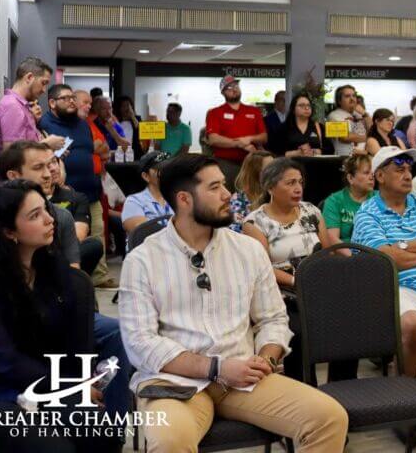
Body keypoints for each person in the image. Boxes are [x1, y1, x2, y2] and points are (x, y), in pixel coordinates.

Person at [119, 155, 349, 451]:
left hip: (243, 377)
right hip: (174, 382)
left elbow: (273, 319)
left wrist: (266, 358)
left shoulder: (247, 250)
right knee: (170, 441)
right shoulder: (143, 260)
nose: (228, 195)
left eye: (224, 185)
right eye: (215, 188)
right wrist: (215, 368)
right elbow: (140, 342)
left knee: (328, 418)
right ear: (185, 199)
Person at [0, 181, 122, 453]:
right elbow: (1, 359)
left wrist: (76, 387)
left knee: (101, 431)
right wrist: (67, 387)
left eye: (45, 210)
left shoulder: (58, 276)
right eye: (35, 215)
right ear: (8, 231)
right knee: (53, 448)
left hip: (43, 390)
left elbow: (74, 351)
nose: (50, 219)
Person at [0, 143, 132, 443]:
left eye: (51, 164)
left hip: (56, 304)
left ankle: (113, 427)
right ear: (13, 175)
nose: (49, 173)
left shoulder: (60, 217)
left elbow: (70, 280)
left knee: (119, 333)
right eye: (39, 167)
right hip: (15, 317)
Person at [351, 146, 416, 443]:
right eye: (398, 168)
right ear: (379, 176)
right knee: (412, 326)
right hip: (398, 287)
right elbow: (388, 260)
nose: (407, 173)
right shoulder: (367, 213)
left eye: (409, 168)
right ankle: (405, 402)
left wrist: (405, 246)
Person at [242, 158, 336, 381]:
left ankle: (342, 388)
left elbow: (327, 252)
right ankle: (306, 390)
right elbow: (262, 269)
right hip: (283, 292)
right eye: (290, 183)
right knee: (299, 331)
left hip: (318, 286)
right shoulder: (255, 222)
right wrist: (297, 282)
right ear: (270, 186)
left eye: (300, 182)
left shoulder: (311, 211)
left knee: (350, 321)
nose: (298, 188)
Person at [40, 84, 115, 289]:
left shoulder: (82, 124)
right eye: (66, 98)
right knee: (70, 237)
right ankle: (73, 280)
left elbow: (96, 150)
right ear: (52, 103)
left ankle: (99, 277)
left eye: (73, 97)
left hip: (91, 189)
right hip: (65, 195)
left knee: (97, 235)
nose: (72, 101)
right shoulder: (44, 124)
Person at [0, 56, 65, 155]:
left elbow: (25, 144)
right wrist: (46, 144)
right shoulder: (12, 107)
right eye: (43, 83)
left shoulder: (21, 106)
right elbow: (11, 155)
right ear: (29, 77)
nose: (44, 90)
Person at [205, 75, 267, 186]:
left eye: (236, 85)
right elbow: (213, 139)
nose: (234, 89)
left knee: (254, 194)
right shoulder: (215, 112)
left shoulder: (254, 111)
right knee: (228, 195)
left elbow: (264, 137)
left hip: (252, 162)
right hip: (226, 163)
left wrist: (250, 138)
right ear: (223, 92)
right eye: (229, 87)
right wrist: (239, 144)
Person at [322, 154, 374, 245]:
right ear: (350, 178)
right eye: (366, 173)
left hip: (377, 253)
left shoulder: (380, 198)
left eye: (372, 173)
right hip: (346, 255)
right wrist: (353, 256)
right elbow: (332, 240)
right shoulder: (334, 201)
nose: (371, 177)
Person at [121, 151, 174, 233]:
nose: (165, 172)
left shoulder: (177, 198)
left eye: (168, 168)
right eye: (159, 169)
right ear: (146, 176)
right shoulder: (134, 201)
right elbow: (140, 231)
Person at [229, 150, 274, 233]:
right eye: (269, 168)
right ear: (254, 173)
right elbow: (236, 233)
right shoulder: (238, 200)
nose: (276, 172)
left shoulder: (279, 193)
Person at [279, 91, 328, 157]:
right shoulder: (284, 127)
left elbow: (329, 149)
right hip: (291, 165)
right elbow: (276, 151)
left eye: (308, 105)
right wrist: (296, 153)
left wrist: (314, 151)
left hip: (315, 165)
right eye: (301, 105)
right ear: (293, 109)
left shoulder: (319, 127)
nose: (306, 108)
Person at [327, 84, 368, 157]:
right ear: (339, 101)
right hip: (343, 159)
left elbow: (373, 129)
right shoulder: (332, 116)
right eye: (347, 96)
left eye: (354, 96)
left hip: (363, 159)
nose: (352, 99)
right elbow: (344, 138)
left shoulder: (360, 114)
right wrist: (369, 137)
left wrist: (365, 114)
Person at [264, 90, 287, 154]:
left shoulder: (292, 117)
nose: (285, 102)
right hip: (274, 153)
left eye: (286, 100)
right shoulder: (267, 119)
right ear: (276, 101)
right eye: (282, 99)